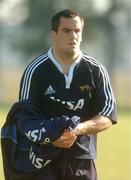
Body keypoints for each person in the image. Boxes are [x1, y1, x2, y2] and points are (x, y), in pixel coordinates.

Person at [1, 9, 117, 180]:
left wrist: (76, 130)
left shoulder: (96, 70)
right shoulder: (36, 69)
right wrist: (51, 136)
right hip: (43, 158)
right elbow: (25, 116)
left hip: (81, 159)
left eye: (77, 31)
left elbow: (107, 116)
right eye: (66, 30)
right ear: (53, 35)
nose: (73, 36)